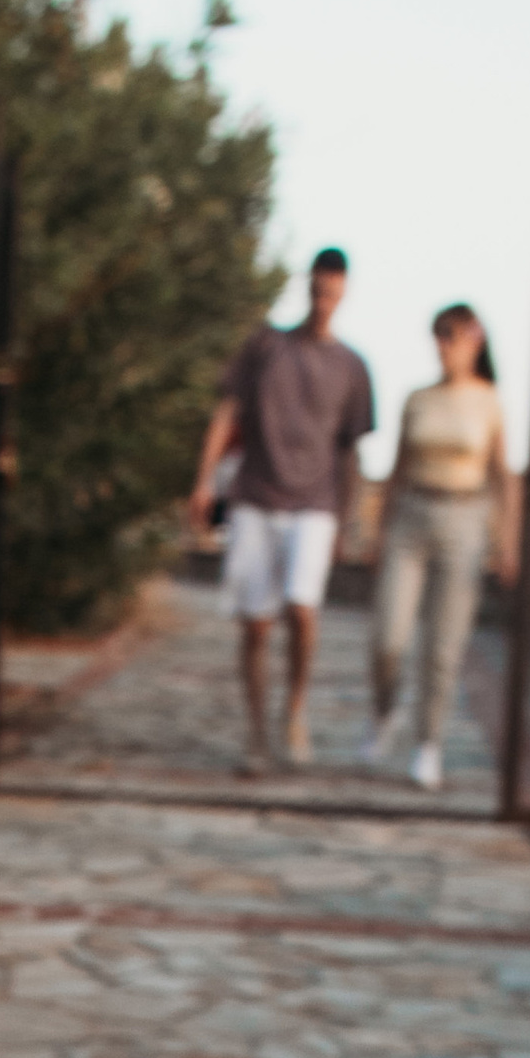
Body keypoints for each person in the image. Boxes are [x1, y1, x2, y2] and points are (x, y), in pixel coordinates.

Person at [189, 252, 375, 775]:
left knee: (302, 608)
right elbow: (226, 412)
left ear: (344, 294)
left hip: (315, 503)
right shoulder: (266, 346)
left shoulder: (352, 367)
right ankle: (255, 734)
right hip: (255, 495)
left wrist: (347, 519)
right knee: (256, 625)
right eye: (317, 290)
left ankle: (294, 709)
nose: (323, 301)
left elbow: (351, 452)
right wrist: (204, 480)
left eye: (332, 293)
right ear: (307, 286)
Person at [365, 304, 517, 794]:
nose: (443, 345)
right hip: (411, 516)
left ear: (474, 340)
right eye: (438, 335)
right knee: (388, 636)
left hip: (464, 519)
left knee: (444, 645)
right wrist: (378, 532)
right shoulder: (417, 399)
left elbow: (502, 474)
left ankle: (427, 744)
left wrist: (508, 542)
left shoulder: (488, 401)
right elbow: (396, 468)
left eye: (451, 335)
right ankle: (385, 710)